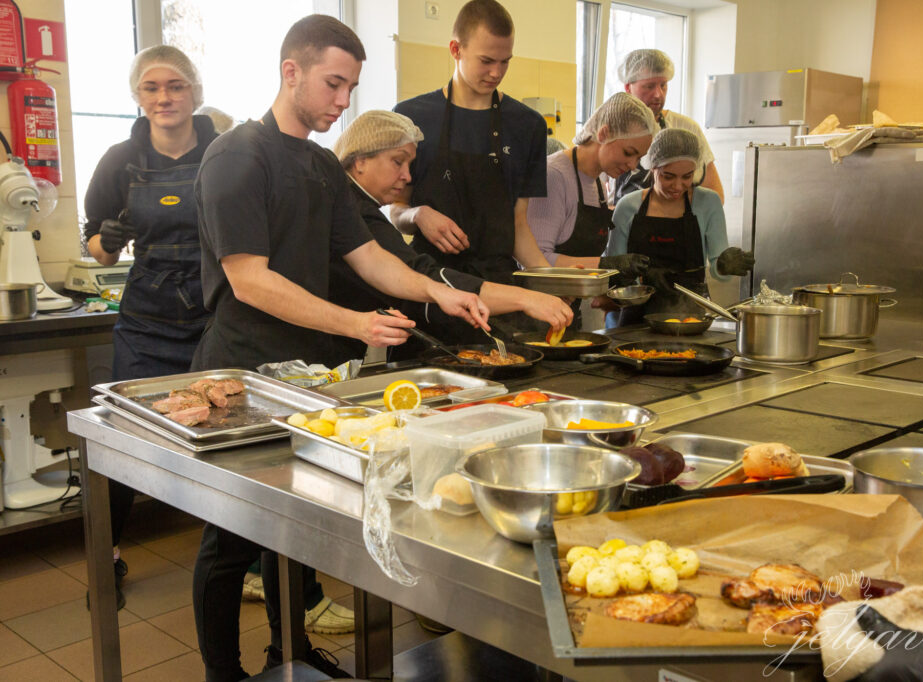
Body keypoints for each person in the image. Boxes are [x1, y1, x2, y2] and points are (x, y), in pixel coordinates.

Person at [190, 16, 488, 681]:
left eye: (350, 87)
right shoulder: (239, 156)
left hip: (305, 377)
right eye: (332, 83)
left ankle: (286, 653)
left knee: (289, 526)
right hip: (241, 374)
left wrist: (437, 294)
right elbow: (250, 279)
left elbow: (367, 258)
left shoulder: (320, 164)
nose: (341, 102)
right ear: (290, 71)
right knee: (232, 536)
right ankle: (222, 673)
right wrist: (355, 325)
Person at [82, 45, 217, 611]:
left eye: (176, 86)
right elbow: (92, 245)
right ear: (138, 96)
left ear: (195, 92)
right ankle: (106, 556)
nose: (165, 98)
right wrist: (106, 241)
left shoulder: (224, 151)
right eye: (152, 88)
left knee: (222, 435)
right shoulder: (120, 159)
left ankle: (242, 555)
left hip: (213, 314)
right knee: (124, 443)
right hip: (146, 321)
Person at [330, 109, 572, 361]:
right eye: (397, 161)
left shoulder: (359, 204)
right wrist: (525, 299)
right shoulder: (356, 211)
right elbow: (418, 273)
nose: (407, 176)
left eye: (410, 164)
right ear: (359, 161)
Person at [391, 0, 550, 286]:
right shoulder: (410, 117)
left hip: (498, 283)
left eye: (505, 62)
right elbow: (396, 210)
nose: (496, 73)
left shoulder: (529, 126)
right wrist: (419, 214)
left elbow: (518, 226)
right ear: (456, 49)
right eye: (486, 61)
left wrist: (552, 280)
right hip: (431, 279)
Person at [605, 128, 754, 326]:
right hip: (637, 318)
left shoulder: (708, 203)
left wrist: (725, 266)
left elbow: (719, 270)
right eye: (668, 176)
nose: (678, 185)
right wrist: (624, 273)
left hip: (690, 317)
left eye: (687, 176)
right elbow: (614, 271)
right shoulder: (627, 206)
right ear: (652, 168)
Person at [526, 93, 657, 303]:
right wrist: (605, 266)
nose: (633, 165)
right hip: (534, 308)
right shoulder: (553, 176)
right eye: (628, 152)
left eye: (639, 158)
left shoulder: (597, 183)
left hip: (567, 307)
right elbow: (535, 261)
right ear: (604, 133)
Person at [612, 49, 725, 205]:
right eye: (649, 86)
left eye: (663, 85)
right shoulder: (612, 129)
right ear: (628, 87)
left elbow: (715, 196)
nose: (658, 94)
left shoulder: (686, 128)